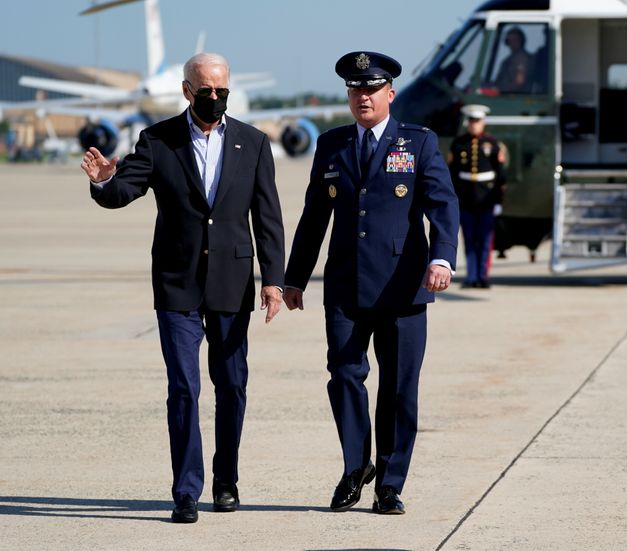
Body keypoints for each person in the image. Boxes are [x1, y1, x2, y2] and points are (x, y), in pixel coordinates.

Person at [80, 52, 285, 523]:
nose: (215, 99)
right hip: (178, 286)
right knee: (184, 389)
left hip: (233, 284)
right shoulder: (158, 141)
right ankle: (186, 490)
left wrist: (273, 281)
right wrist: (102, 183)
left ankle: (226, 481)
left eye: (222, 91)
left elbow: (268, 218)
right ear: (188, 91)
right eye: (206, 91)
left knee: (232, 386)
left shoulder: (252, 143)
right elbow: (122, 191)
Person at [283, 51, 459, 515]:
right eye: (356, 89)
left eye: (372, 89)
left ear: (390, 94)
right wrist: (294, 278)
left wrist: (441, 258)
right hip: (345, 284)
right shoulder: (332, 144)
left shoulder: (418, 143)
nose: (363, 96)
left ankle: (390, 482)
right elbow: (314, 216)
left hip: (403, 287)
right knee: (344, 376)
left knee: (399, 388)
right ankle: (356, 466)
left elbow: (443, 205)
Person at [448, 104, 506, 288]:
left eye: (478, 121)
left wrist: (498, 201)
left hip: (486, 199)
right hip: (466, 198)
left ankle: (483, 276)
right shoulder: (458, 143)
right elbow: (452, 173)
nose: (474, 125)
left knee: (485, 240)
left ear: (483, 123)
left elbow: (500, 176)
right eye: (472, 121)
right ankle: (472, 277)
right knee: (469, 240)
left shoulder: (493, 143)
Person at [494, 27, 541, 94]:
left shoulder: (522, 58)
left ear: (521, 41)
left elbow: (519, 81)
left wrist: (502, 91)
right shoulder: (509, 59)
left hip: (515, 97)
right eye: (510, 40)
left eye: (515, 40)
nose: (512, 43)